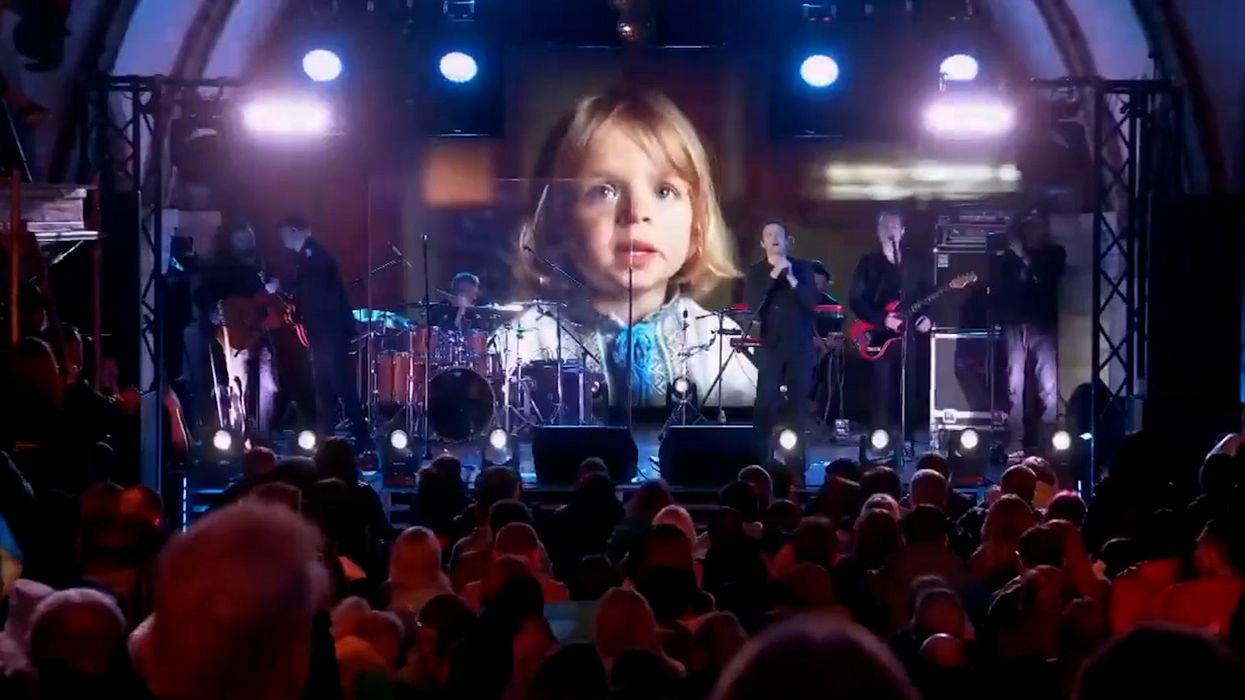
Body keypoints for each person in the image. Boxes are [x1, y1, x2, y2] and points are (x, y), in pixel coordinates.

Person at [498, 89, 756, 410]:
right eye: (604, 191)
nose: (636, 212)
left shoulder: (719, 345)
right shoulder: (522, 344)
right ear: (557, 221)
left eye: (664, 191)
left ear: (697, 226)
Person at [277, 213, 369, 446]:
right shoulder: (310, 256)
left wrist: (283, 287)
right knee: (326, 386)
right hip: (324, 331)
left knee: (339, 384)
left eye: (285, 233)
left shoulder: (313, 255)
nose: (282, 239)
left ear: (294, 231)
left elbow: (313, 291)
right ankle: (329, 437)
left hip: (331, 330)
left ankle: (361, 438)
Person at [849, 211, 932, 439]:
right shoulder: (868, 263)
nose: (890, 230)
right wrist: (882, 319)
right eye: (885, 226)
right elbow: (856, 300)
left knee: (910, 388)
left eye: (895, 226)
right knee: (881, 390)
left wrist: (927, 318)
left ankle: (908, 439)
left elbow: (925, 296)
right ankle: (880, 439)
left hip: (908, 337)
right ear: (878, 232)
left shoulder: (912, 265)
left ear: (902, 231)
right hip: (878, 336)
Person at [194, 224, 278, 438]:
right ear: (231, 242)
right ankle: (238, 431)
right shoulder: (221, 268)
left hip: (259, 334)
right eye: (241, 240)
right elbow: (203, 295)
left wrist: (271, 292)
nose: (246, 244)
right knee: (236, 383)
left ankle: (261, 433)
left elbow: (266, 298)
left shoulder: (262, 262)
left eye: (248, 239)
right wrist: (213, 309)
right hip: (233, 336)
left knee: (268, 384)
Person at [742, 221, 820, 434]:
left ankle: (797, 460)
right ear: (762, 242)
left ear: (788, 241)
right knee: (766, 402)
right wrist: (774, 274)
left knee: (798, 404)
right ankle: (759, 453)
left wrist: (791, 277)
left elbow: (812, 302)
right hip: (771, 345)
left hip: (800, 345)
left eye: (779, 234)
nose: (774, 238)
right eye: (769, 234)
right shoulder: (757, 272)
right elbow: (754, 304)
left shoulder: (803, 267)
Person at [999, 208, 1066, 449]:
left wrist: (1024, 258)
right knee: (1013, 384)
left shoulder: (1054, 254)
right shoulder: (1010, 258)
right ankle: (1015, 441)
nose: (1032, 231)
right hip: (1016, 324)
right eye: (1029, 227)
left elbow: (1045, 278)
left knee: (1048, 384)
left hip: (1042, 323)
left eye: (1037, 226)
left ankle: (1049, 440)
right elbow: (1002, 287)